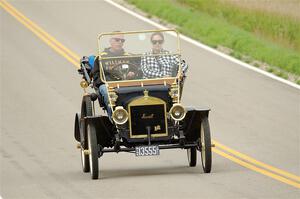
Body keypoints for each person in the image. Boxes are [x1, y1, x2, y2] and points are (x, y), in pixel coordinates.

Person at [80, 33, 133, 118]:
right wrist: (107, 82)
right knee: (107, 92)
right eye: (117, 40)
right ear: (110, 41)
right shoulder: (101, 58)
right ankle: (115, 119)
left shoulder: (129, 56)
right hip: (108, 85)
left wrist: (132, 74)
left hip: (126, 84)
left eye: (122, 40)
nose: (119, 42)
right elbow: (96, 75)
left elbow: (137, 71)